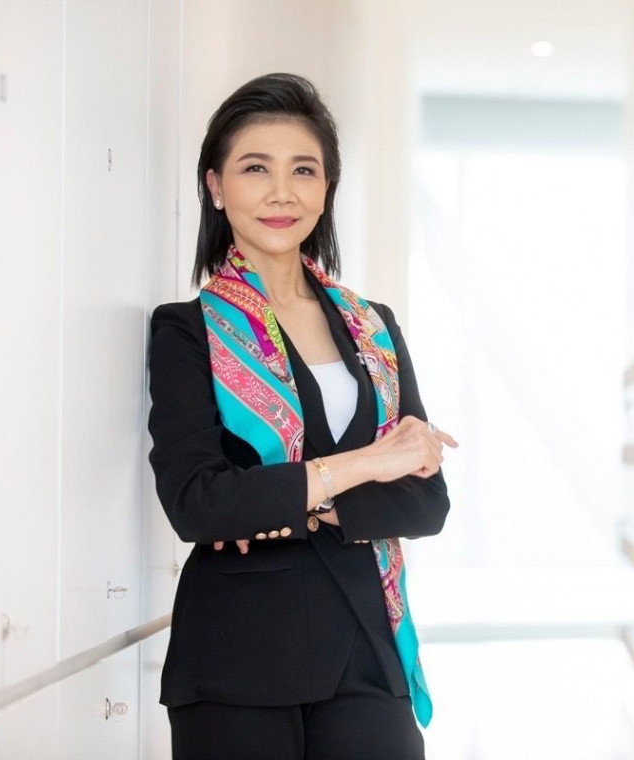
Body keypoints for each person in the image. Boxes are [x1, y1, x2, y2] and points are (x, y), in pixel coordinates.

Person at [146, 72, 457, 759]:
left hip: (369, 649)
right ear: (216, 186)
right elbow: (199, 503)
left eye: (304, 170)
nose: (282, 191)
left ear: (326, 188)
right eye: (256, 168)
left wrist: (283, 502)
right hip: (236, 659)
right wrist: (367, 466)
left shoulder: (374, 328)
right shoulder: (188, 332)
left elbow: (427, 500)